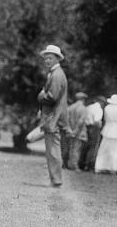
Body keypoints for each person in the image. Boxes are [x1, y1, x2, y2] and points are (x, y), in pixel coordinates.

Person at [37, 44, 68, 187]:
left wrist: (41, 96)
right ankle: (55, 179)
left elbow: (53, 96)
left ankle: (56, 180)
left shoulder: (56, 75)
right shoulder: (55, 73)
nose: (47, 61)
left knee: (53, 150)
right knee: (52, 149)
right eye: (46, 58)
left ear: (57, 59)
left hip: (53, 118)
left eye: (50, 58)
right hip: (52, 116)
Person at [94, 94, 117, 174]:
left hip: (107, 129)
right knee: (116, 151)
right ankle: (113, 168)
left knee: (104, 149)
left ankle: (100, 167)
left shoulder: (107, 108)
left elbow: (104, 119)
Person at [66, 92, 88, 171]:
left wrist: (70, 130)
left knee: (71, 148)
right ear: (83, 99)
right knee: (77, 149)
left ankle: (70, 164)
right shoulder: (83, 108)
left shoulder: (70, 107)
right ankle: (74, 165)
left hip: (70, 132)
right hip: (79, 133)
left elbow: (67, 120)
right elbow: (81, 121)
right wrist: (75, 131)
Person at [82, 96, 104, 172]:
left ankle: (83, 163)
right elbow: (97, 120)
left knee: (86, 145)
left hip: (87, 126)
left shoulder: (89, 107)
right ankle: (90, 164)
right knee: (93, 147)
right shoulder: (99, 109)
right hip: (94, 128)